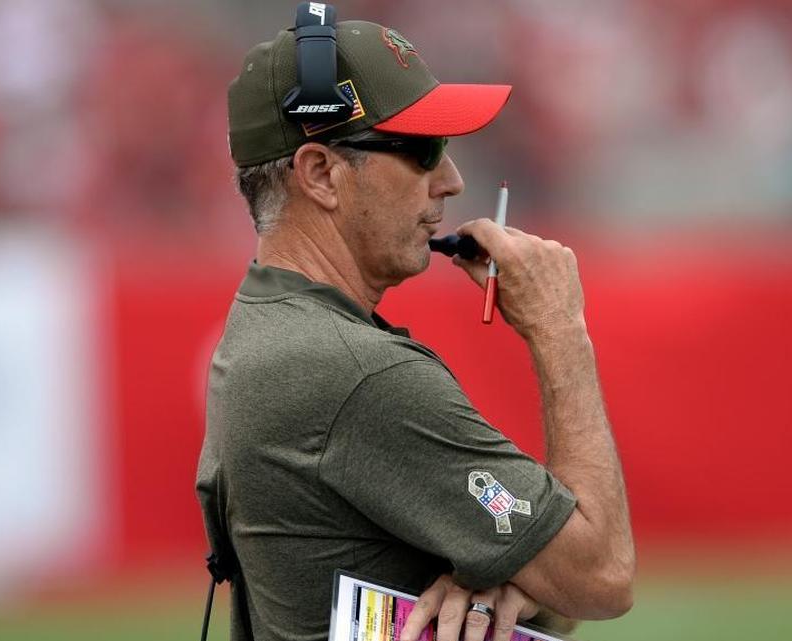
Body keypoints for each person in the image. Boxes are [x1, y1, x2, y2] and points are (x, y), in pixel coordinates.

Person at [196, 13, 634, 641]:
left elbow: (558, 595)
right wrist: (560, 329)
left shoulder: (268, 322)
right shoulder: (356, 372)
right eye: (422, 150)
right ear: (320, 173)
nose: (451, 182)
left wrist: (515, 579)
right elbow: (602, 575)